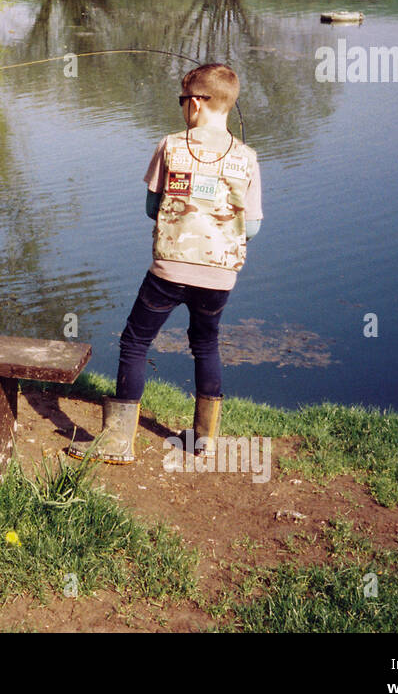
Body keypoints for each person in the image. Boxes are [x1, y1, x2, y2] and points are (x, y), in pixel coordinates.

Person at [69, 63, 262, 464]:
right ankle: (205, 441)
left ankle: (119, 442)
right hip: (220, 275)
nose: (181, 109)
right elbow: (254, 228)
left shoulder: (171, 146)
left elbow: (151, 208)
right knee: (206, 343)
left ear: (195, 104)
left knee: (136, 342)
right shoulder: (247, 158)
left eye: (181, 101)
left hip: (169, 271)